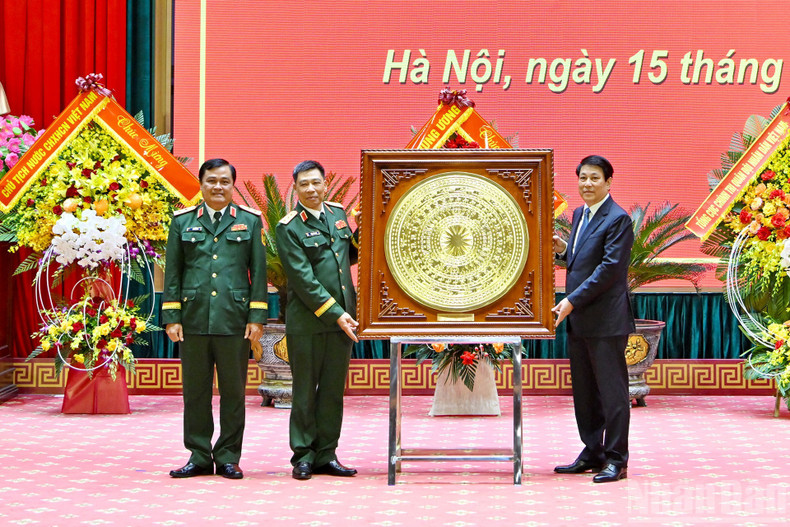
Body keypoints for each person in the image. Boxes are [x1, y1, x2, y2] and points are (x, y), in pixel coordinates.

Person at [163, 158, 268, 479]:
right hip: (192, 319)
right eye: (211, 181)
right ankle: (198, 455)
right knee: (195, 392)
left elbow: (258, 272)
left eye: (224, 181)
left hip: (234, 319)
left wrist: (256, 317)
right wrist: (171, 316)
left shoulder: (250, 221)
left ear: (233, 185)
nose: (218, 187)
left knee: (233, 393)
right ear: (201, 184)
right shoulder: (182, 221)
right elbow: (173, 272)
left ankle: (228, 457)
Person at [551, 155, 634, 483]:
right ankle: (593, 452)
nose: (587, 184)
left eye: (594, 178)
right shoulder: (579, 213)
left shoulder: (618, 219)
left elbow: (608, 270)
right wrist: (564, 250)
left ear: (608, 182)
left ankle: (616, 459)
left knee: (612, 394)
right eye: (583, 177)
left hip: (606, 321)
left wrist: (571, 301)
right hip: (581, 320)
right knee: (585, 393)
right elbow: (583, 259)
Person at [276, 159, 359, 480]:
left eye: (316, 183)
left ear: (325, 185)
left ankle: (327, 453)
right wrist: (337, 314)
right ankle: (303, 456)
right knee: (304, 391)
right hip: (309, 322)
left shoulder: (337, 214)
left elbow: (348, 256)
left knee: (333, 391)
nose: (311, 189)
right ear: (295, 189)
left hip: (343, 321)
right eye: (304, 184)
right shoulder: (288, 227)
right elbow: (303, 280)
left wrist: (365, 229)